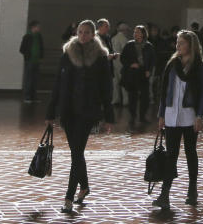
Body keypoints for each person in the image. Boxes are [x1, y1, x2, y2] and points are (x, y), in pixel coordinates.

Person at [45, 20, 114, 213]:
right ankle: (84, 186)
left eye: (86, 33)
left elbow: (107, 88)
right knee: (77, 152)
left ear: (93, 35)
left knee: (76, 153)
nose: (83, 35)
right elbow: (58, 83)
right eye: (80, 32)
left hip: (88, 110)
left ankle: (68, 197)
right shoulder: (68, 53)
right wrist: (51, 112)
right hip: (68, 111)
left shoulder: (100, 57)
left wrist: (109, 116)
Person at [153, 29, 203, 210]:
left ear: (191, 45)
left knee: (190, 153)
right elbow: (164, 91)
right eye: (177, 42)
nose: (178, 46)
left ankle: (192, 191)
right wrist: (161, 114)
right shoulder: (172, 64)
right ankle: (165, 194)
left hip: (189, 116)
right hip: (171, 115)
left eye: (182, 43)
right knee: (171, 155)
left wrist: (201, 116)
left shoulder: (199, 66)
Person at [120, 24, 154, 130]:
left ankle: (142, 116)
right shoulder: (129, 45)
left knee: (145, 96)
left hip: (144, 72)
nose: (135, 34)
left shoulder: (148, 46)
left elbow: (153, 60)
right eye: (135, 32)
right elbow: (123, 58)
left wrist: (149, 70)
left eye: (138, 32)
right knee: (132, 96)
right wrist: (130, 64)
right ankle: (132, 116)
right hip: (132, 73)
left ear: (143, 34)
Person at [19, 20, 44, 103]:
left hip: (37, 61)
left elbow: (41, 46)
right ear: (33, 27)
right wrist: (28, 55)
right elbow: (22, 49)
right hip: (30, 60)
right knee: (29, 79)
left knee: (35, 79)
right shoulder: (27, 36)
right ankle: (27, 96)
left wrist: (41, 56)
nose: (39, 28)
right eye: (38, 27)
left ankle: (34, 96)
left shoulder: (39, 36)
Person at [111, 21, 130, 105]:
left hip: (113, 62)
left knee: (115, 82)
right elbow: (125, 51)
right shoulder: (124, 39)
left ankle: (116, 99)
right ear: (124, 30)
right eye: (126, 30)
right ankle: (126, 100)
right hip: (122, 62)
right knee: (124, 81)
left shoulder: (113, 38)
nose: (127, 32)